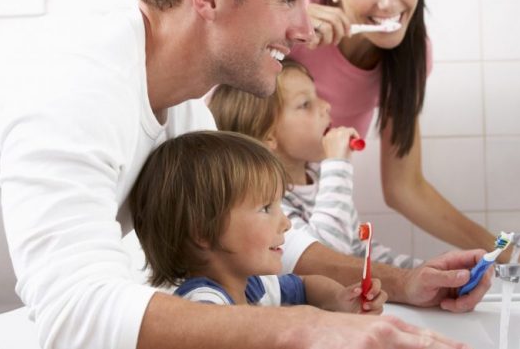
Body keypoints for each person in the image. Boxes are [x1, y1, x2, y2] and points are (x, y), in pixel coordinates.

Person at [0, 0, 486, 348]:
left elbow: (272, 234)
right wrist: (308, 330)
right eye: (289, 0)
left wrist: (405, 283)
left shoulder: (179, 106)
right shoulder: (75, 85)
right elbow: (77, 316)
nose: (303, 28)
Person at [291, 0, 520, 270]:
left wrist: (502, 250)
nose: (389, 3)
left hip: (317, 214)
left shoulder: (411, 54)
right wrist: (279, 17)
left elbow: (405, 187)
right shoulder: (294, 21)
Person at [129, 130, 387, 313]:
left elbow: (305, 284)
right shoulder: (203, 304)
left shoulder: (252, 285)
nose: (286, 223)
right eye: (266, 208)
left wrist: (341, 299)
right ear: (203, 231)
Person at [209, 60, 420, 269]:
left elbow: (359, 251)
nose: (325, 106)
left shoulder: (319, 179)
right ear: (269, 136)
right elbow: (330, 259)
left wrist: (422, 271)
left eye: (316, 96)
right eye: (305, 104)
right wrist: (337, 164)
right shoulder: (267, 201)